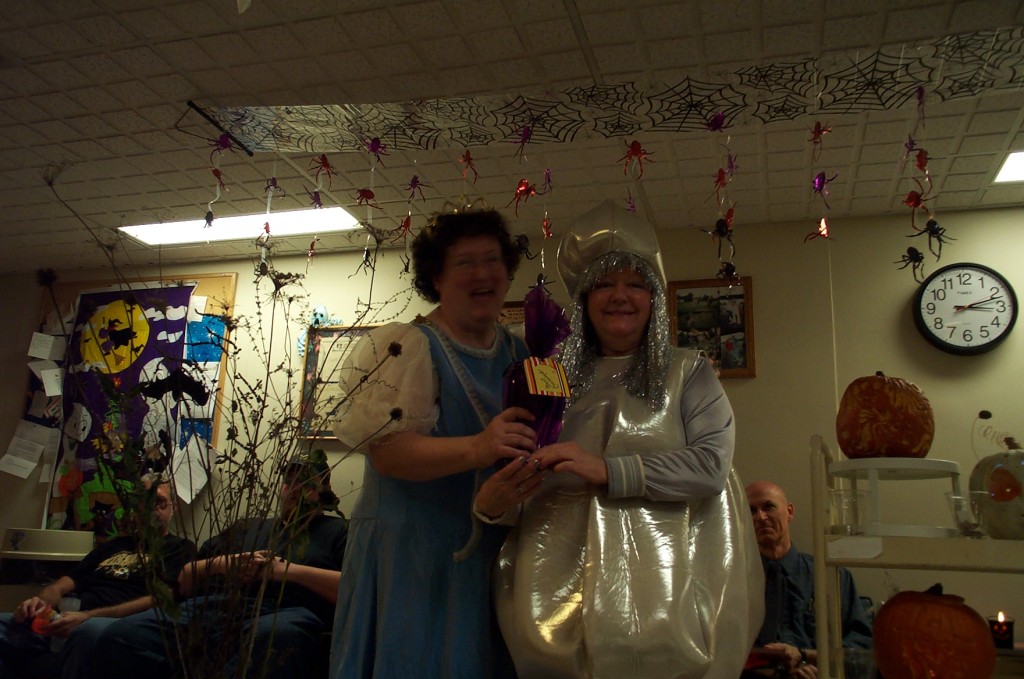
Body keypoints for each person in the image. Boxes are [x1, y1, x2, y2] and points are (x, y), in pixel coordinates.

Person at [482, 200, 764, 679]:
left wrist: (609, 470)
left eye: (635, 284)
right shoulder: (547, 379)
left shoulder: (688, 371)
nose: (620, 296)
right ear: (583, 297)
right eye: (604, 283)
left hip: (672, 607)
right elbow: (521, 477)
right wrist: (492, 506)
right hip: (556, 605)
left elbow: (711, 466)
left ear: (653, 298)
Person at [328, 209, 534, 679]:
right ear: (436, 277)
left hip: (491, 554)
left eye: (492, 260)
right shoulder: (405, 347)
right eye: (465, 263)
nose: (482, 273)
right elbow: (388, 454)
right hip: (413, 557)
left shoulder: (519, 352)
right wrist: (479, 448)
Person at [95, 455, 347, 679]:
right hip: (219, 607)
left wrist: (286, 571)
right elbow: (186, 576)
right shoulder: (249, 526)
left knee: (274, 637)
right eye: (290, 481)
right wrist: (224, 564)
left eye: (307, 483)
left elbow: (353, 591)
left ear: (325, 491)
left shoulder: (340, 531)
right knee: (121, 635)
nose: (296, 489)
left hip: (286, 612)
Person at [0, 472, 193, 679]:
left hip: (113, 623)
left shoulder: (180, 549)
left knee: (87, 632)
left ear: (173, 507)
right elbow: (62, 585)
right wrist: (39, 602)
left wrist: (88, 617)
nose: (150, 508)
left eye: (159, 502)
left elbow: (160, 599)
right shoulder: (113, 545)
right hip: (66, 617)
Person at [744, 480, 873, 678]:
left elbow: (861, 648)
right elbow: (723, 649)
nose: (760, 517)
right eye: (751, 511)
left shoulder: (831, 578)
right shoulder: (735, 582)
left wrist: (806, 657)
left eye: (769, 507)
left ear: (789, 512)